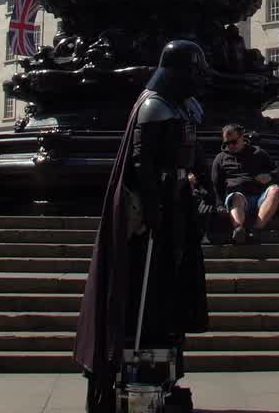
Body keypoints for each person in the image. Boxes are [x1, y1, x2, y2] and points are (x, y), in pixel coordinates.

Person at [76, 40, 210, 413]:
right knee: (149, 287)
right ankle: (138, 372)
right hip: (157, 212)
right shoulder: (154, 106)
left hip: (179, 204)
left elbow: (195, 152)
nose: (199, 79)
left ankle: (168, 358)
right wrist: (153, 209)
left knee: (175, 280)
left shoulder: (183, 107)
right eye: (194, 71)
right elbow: (142, 164)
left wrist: (204, 188)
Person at [211, 124, 279, 246]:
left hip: (259, 197)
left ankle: (256, 229)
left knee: (276, 190)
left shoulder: (258, 152)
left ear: (242, 138)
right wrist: (219, 205)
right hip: (237, 198)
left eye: (234, 142)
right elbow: (215, 184)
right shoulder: (220, 158)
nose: (230, 146)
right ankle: (238, 229)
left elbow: (278, 170)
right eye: (227, 143)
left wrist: (270, 176)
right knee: (236, 197)